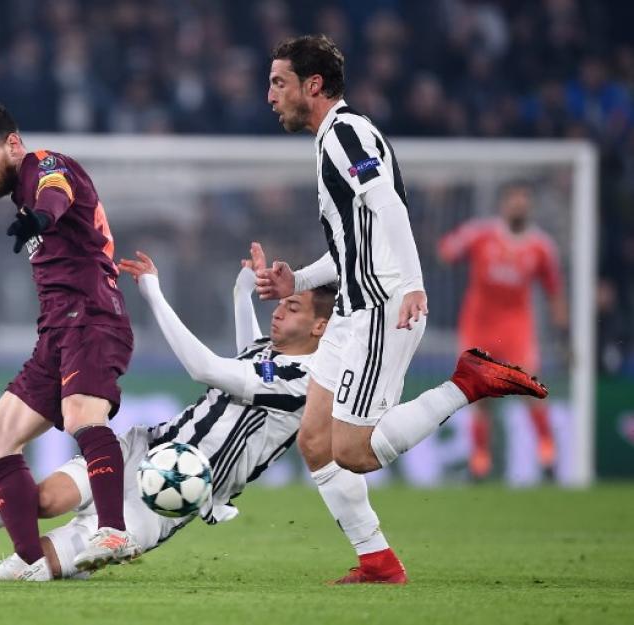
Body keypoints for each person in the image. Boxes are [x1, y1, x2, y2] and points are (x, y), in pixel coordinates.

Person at [0, 248, 337, 581]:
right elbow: (246, 341)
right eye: (282, 304)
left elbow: (204, 368)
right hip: (146, 447)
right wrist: (243, 287)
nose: (279, 312)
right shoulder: (269, 353)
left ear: (320, 327)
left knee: (39, 569)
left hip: (171, 497)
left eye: (292, 308)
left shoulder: (306, 379)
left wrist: (153, 293)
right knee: (41, 499)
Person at [257, 35, 548, 583]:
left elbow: (386, 203)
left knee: (354, 452)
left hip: (381, 307)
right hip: (350, 308)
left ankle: (467, 383)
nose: (270, 96)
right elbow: (354, 241)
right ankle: (378, 561)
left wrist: (412, 285)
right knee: (314, 440)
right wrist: (299, 279)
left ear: (312, 85)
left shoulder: (345, 133)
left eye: (278, 83)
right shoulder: (334, 139)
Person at [0, 99, 136, 579]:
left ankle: (113, 531)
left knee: (81, 416)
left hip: (92, 317)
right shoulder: (21, 190)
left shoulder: (44, 166)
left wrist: (41, 219)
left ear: (12, 144)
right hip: (56, 329)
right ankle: (32, 561)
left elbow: (56, 192)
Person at [438, 181, 568, 479]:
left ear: (530, 206)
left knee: (529, 388)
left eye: (524, 199)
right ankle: (480, 463)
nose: (518, 204)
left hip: (516, 329)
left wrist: (564, 333)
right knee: (479, 395)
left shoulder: (541, 247)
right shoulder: (480, 234)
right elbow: (446, 251)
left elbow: (554, 291)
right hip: (478, 326)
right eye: (513, 199)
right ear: (502, 204)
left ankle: (547, 454)